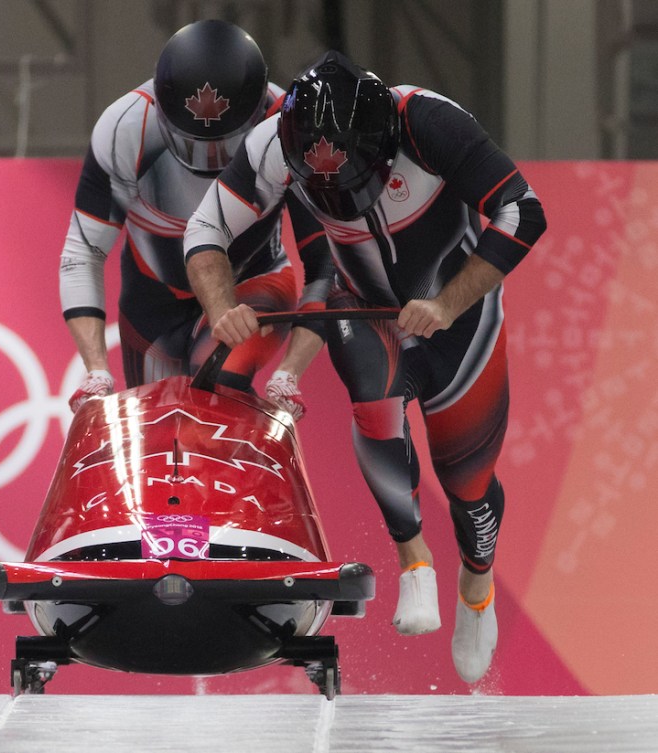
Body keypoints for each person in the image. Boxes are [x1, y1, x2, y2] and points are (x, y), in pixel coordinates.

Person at [184, 50, 546, 683]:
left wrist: (447, 302)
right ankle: (414, 563)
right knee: (375, 409)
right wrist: (220, 308)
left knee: (468, 483)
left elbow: (523, 211)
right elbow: (205, 229)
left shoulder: (429, 122)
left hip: (458, 316)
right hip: (365, 306)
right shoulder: (273, 143)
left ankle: (476, 582)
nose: (341, 200)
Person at [61, 19, 330, 412]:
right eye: (193, 146)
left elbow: (325, 263)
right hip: (154, 300)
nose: (211, 164)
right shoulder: (125, 129)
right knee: (158, 426)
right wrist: (96, 369)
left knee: (216, 383)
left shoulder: (287, 128)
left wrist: (290, 371)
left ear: (258, 115)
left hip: (253, 283)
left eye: (227, 147)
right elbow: (83, 253)